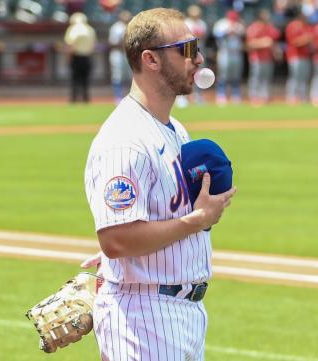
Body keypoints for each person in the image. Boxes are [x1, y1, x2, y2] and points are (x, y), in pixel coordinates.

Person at [83, 8, 236, 360]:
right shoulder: (125, 139)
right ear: (150, 59)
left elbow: (136, 225)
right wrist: (198, 219)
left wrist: (117, 260)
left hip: (178, 312)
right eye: (185, 49)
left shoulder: (173, 129)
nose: (197, 58)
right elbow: (117, 239)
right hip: (143, 317)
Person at [245, 8, 280, 106]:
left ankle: (265, 96)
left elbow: (274, 40)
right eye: (265, 15)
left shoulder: (269, 28)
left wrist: (276, 52)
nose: (267, 17)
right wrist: (263, 42)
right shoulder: (253, 28)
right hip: (257, 58)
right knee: (256, 78)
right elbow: (249, 44)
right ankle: (254, 97)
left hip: (268, 57)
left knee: (266, 78)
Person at [213, 10, 245, 105]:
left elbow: (244, 36)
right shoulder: (221, 24)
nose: (234, 20)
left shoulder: (239, 25)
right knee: (223, 74)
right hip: (225, 52)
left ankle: (236, 95)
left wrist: (235, 31)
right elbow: (216, 35)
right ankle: (221, 94)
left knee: (236, 75)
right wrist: (227, 32)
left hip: (236, 53)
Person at [64, 12, 96, 103]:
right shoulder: (90, 29)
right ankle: (86, 98)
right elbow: (93, 45)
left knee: (75, 79)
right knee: (86, 80)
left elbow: (70, 45)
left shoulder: (72, 29)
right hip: (87, 57)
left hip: (76, 57)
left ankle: (74, 99)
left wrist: (68, 58)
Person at [284, 7, 313, 104]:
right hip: (295, 56)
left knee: (304, 78)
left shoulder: (307, 26)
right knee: (295, 77)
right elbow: (294, 42)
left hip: (305, 56)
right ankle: (291, 97)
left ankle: (302, 97)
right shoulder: (292, 26)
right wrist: (306, 39)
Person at [183, 4, 208, 105]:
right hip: (189, 47)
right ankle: (183, 97)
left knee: (199, 73)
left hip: (200, 47)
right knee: (186, 72)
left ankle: (198, 96)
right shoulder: (186, 22)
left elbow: (204, 36)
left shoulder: (201, 23)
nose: (196, 15)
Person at [108, 10, 132, 104]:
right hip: (118, 54)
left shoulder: (131, 26)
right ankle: (118, 97)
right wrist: (122, 42)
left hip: (129, 54)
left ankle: (130, 97)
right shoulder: (116, 27)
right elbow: (112, 43)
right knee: (117, 76)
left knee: (131, 76)